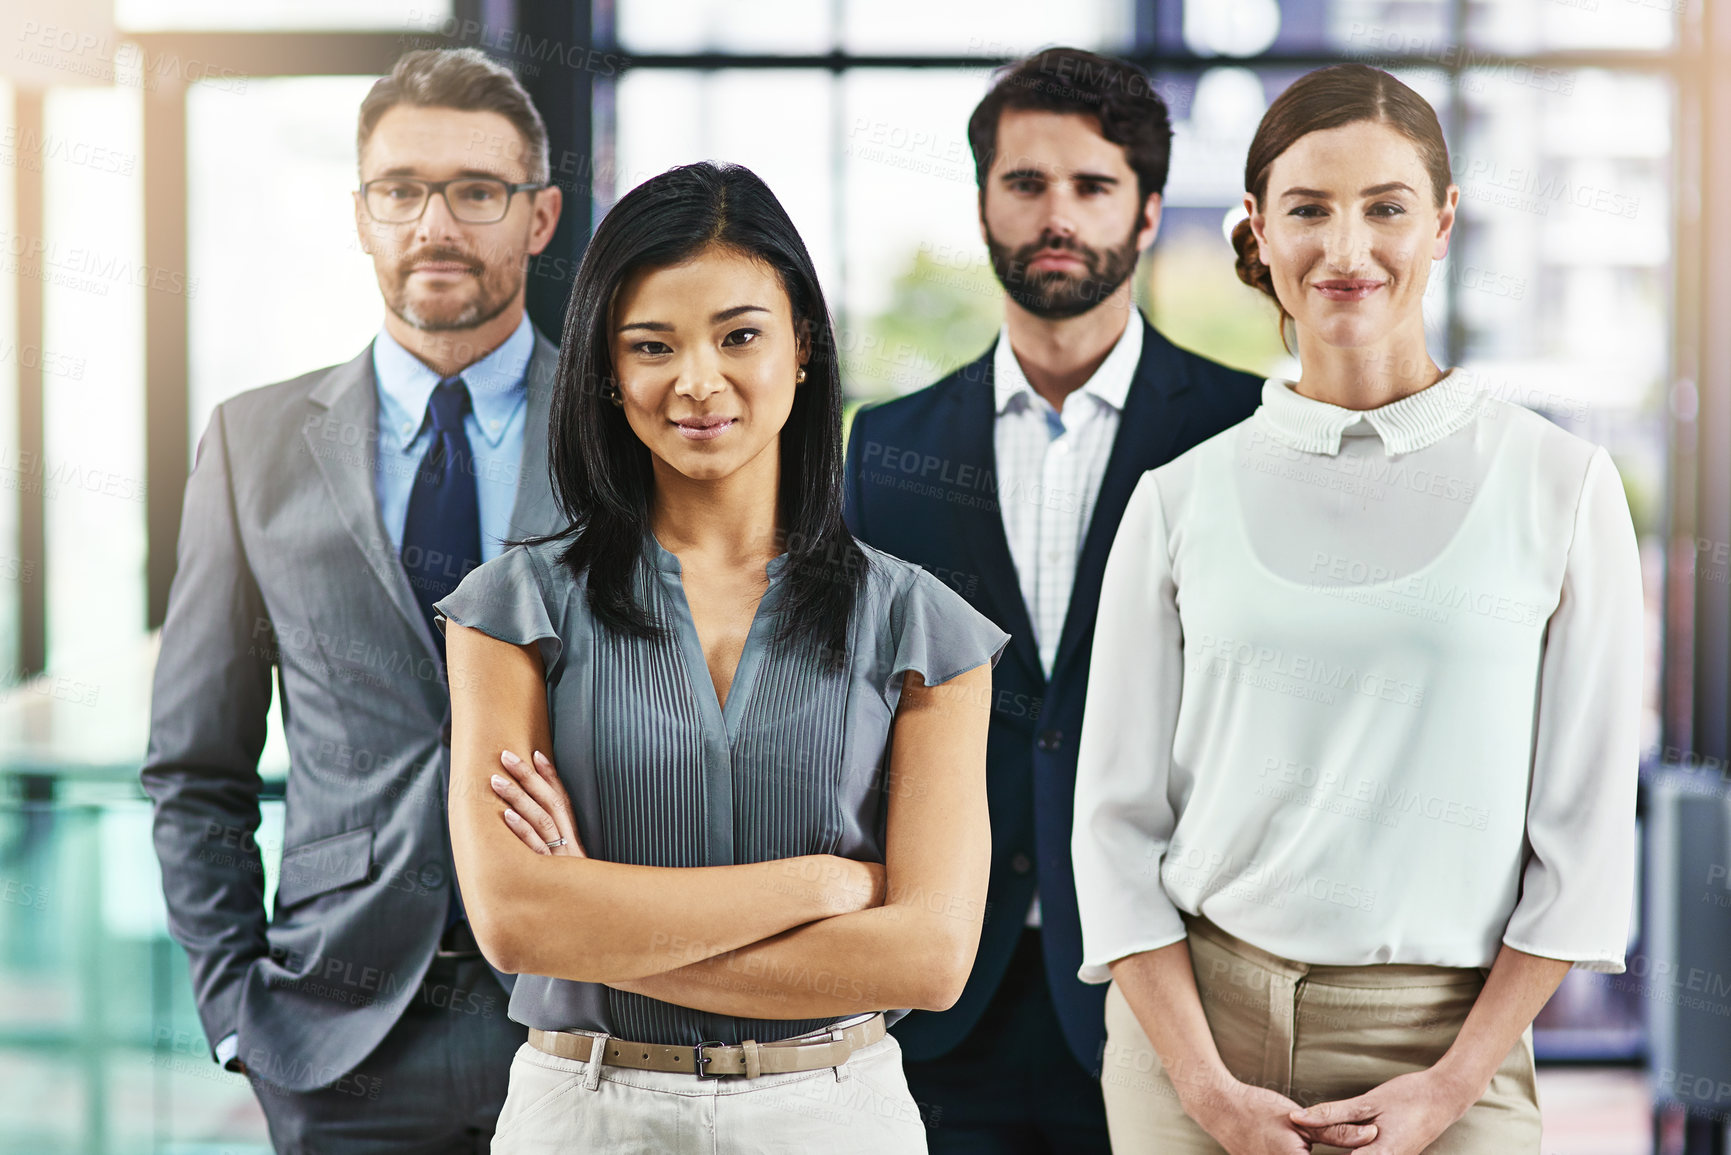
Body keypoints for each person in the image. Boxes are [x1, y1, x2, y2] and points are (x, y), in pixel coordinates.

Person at [1073, 63, 1644, 1154]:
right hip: (1193, 1039)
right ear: (1257, 228)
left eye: (1385, 208)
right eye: (1308, 211)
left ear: (1442, 225)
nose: (1346, 251)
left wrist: (1451, 1084)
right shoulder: (1177, 500)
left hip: (1448, 1047)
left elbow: (1580, 850)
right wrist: (1201, 1085)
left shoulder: (1562, 488)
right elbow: (1112, 832)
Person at [434, 159, 1008, 1154]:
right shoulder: (511, 610)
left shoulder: (926, 629)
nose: (698, 382)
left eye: (739, 335)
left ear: (802, 351)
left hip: (834, 1113)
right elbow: (518, 923)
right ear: (609, 376)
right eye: (652, 346)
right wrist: (819, 888)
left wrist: (603, 924)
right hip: (586, 1111)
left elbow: (929, 958)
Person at [142, 47, 564, 1152]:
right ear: (362, 215)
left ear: (540, 217)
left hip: (585, 1020)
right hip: (336, 1036)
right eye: (401, 191)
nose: (436, 223)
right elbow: (195, 765)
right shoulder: (254, 443)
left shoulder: (618, 430)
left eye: (478, 192)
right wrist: (238, 1010)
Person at [842, 47, 1262, 1151]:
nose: (1056, 216)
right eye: (1025, 184)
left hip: (1168, 996)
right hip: (939, 997)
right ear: (983, 202)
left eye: (1092, 186)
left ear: (1150, 209)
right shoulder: (885, 451)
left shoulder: (1242, 434)